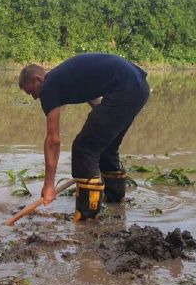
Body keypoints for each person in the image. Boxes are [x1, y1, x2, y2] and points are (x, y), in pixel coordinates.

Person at [18, 53, 149, 221]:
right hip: (138, 87)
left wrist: (49, 186)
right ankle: (115, 204)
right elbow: (93, 93)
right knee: (105, 147)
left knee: (84, 149)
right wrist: (103, 120)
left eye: (31, 91)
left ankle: (87, 219)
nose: (35, 97)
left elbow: (53, 140)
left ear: (38, 79)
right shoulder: (63, 76)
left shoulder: (49, 85)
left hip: (125, 89)